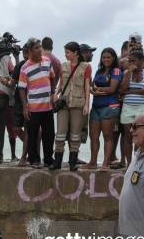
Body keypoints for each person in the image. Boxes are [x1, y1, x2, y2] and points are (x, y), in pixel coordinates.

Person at [51, 41, 91, 171]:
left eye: (68, 52)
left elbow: (87, 87)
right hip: (64, 103)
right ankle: (57, 162)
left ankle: (72, 163)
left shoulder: (86, 67)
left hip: (78, 104)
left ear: (75, 53)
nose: (66, 55)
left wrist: (87, 104)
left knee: (75, 134)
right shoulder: (63, 66)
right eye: (65, 52)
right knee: (60, 134)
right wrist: (55, 94)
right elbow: (61, 83)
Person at [18, 38, 56, 169]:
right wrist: (24, 106)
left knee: (49, 135)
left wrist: (52, 92)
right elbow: (21, 88)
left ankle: (48, 160)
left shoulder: (47, 61)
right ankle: (34, 160)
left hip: (48, 107)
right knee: (33, 136)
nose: (40, 49)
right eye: (36, 48)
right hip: (33, 108)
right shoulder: (25, 67)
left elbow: (52, 77)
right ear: (29, 51)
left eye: (40, 47)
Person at [87, 48, 122, 170]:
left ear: (113, 58)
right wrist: (92, 90)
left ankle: (105, 163)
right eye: (104, 57)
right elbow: (93, 87)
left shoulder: (116, 71)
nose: (106, 59)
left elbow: (112, 89)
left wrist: (98, 90)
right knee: (93, 136)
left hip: (110, 106)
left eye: (108, 57)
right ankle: (92, 162)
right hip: (96, 106)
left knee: (107, 136)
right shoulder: (99, 71)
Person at [119, 50, 144, 167]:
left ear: (141, 61)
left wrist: (129, 91)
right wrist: (129, 73)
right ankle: (129, 164)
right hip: (127, 108)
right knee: (128, 137)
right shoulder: (126, 73)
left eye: (133, 61)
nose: (131, 63)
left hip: (141, 109)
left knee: (140, 137)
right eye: (129, 61)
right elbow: (122, 89)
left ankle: (137, 162)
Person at [0, 44, 30, 166]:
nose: (26, 55)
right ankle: (31, 145)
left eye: (27, 53)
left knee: (28, 129)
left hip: (32, 100)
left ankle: (25, 155)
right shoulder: (20, 65)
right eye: (24, 53)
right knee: (16, 128)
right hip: (18, 100)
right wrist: (6, 82)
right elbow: (13, 83)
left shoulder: (38, 64)